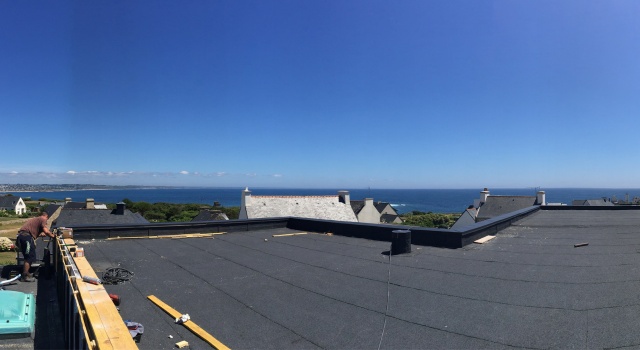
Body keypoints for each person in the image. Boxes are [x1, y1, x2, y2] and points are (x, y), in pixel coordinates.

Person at [16, 212, 55, 282]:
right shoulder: (43, 218)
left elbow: (33, 231)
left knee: (28, 256)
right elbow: (46, 231)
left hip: (23, 237)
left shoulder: (36, 219)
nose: (46, 222)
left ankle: (27, 273)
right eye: (47, 220)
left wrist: (39, 234)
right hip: (26, 237)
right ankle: (24, 276)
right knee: (29, 257)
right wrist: (53, 236)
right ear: (46, 216)